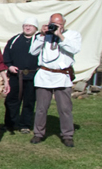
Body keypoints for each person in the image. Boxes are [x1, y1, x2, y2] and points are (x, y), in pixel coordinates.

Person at [30, 13, 81, 147]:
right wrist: (41, 35)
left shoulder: (72, 35)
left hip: (62, 76)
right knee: (41, 108)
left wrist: (60, 36)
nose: (55, 26)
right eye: (53, 23)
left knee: (65, 108)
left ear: (64, 25)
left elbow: (75, 49)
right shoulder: (43, 37)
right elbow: (33, 51)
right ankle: (38, 133)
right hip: (44, 75)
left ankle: (67, 135)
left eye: (58, 24)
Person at [3, 17, 40, 134]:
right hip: (16, 76)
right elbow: (6, 55)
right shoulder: (14, 40)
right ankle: (10, 123)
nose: (28, 28)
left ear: (35, 28)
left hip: (32, 76)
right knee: (12, 100)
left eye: (30, 26)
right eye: (25, 26)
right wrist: (9, 66)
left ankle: (25, 125)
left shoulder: (40, 41)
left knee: (29, 101)